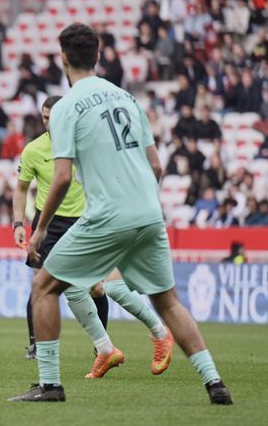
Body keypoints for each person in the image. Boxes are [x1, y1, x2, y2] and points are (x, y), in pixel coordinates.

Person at [11, 23, 231, 404]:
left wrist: (40, 229)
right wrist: (141, 206)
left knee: (43, 287)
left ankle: (49, 385)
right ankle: (215, 383)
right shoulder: (127, 99)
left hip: (106, 215)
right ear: (98, 56)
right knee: (168, 301)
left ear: (63, 58)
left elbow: (61, 177)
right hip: (148, 212)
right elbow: (157, 166)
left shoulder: (65, 107)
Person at [12, 96, 172, 372]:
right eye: (45, 118)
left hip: (90, 218)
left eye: (52, 117)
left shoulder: (88, 141)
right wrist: (18, 223)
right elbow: (21, 188)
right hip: (50, 223)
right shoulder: (34, 150)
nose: (48, 123)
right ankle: (97, 348)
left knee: (104, 287)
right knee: (49, 285)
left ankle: (157, 333)